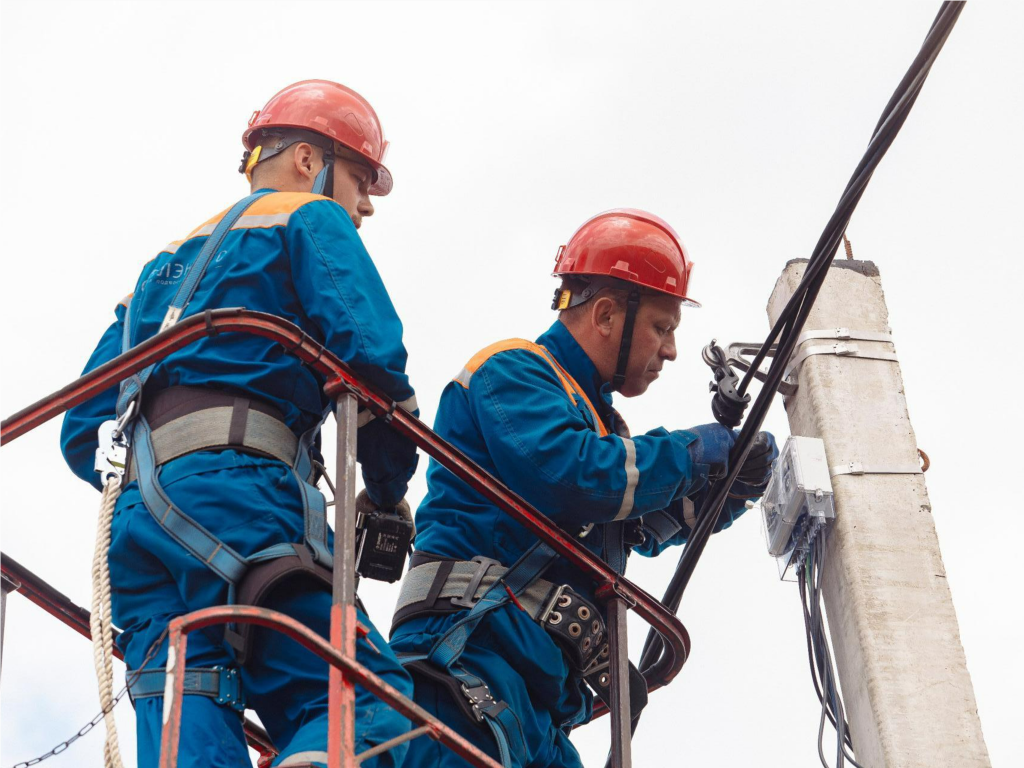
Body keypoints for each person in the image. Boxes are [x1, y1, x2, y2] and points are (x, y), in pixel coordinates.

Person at [60, 80, 418, 768]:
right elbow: (374, 359)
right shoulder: (308, 221)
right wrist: (387, 486)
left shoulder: (160, 269)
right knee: (368, 701)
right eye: (363, 180)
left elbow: (81, 428)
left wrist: (151, 474)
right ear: (311, 161)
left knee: (185, 712)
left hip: (137, 528)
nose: (367, 204)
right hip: (242, 500)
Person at [389, 209, 778, 768]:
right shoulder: (514, 371)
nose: (670, 350)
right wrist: (695, 451)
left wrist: (728, 491)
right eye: (662, 328)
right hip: (464, 659)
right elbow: (575, 478)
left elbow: (641, 525)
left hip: (538, 703)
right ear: (604, 314)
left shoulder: (598, 426)